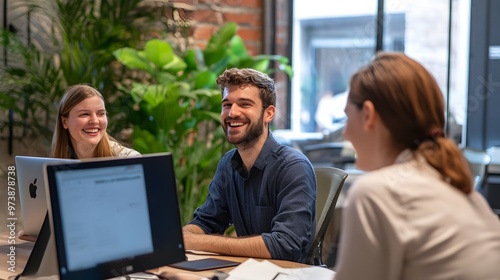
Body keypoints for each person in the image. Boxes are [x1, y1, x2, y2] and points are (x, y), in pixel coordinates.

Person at [334, 52, 500, 279]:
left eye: (346, 117)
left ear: (369, 115)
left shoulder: (375, 194)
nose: (345, 132)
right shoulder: (464, 192)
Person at [181, 68, 316, 263]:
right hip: (246, 271)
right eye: (227, 105)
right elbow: (206, 221)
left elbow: (285, 245)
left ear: (268, 114)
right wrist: (183, 238)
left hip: (286, 274)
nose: (233, 113)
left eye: (245, 104)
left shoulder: (293, 167)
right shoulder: (229, 164)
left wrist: (199, 242)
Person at [51, 83, 140, 158]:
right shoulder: (52, 165)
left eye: (101, 114)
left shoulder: (128, 159)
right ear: (65, 122)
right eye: (85, 114)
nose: (95, 121)